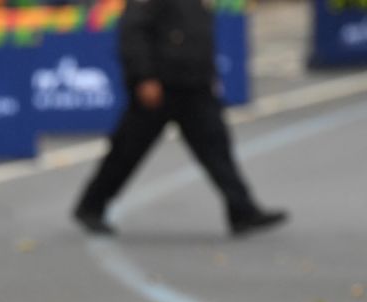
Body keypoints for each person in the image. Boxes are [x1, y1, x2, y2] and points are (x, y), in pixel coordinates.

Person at [72, 0, 287, 237]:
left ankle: (242, 210)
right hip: (161, 85)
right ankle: (91, 206)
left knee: (217, 148)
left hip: (194, 84)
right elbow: (134, 31)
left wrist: (208, 75)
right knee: (126, 150)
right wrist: (144, 76)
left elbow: (198, 33)